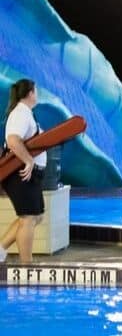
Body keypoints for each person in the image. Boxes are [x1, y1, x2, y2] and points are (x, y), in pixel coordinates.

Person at [2, 79, 46, 264]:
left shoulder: (26, 113)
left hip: (29, 173)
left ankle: (0, 249)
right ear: (30, 93)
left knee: (36, 216)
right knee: (28, 218)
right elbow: (13, 140)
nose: (37, 94)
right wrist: (28, 161)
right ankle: (26, 267)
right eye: (36, 91)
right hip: (20, 173)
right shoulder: (20, 113)